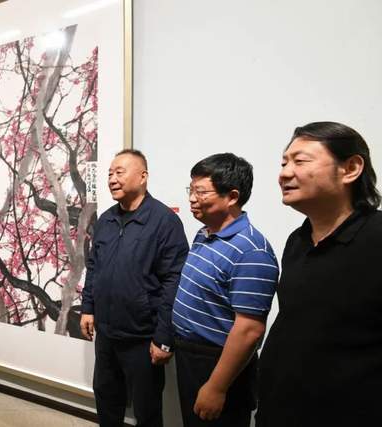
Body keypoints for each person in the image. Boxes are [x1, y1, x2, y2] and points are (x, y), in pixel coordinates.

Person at [257, 122, 382, 427]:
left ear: (350, 169)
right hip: (281, 410)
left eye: (300, 161)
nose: (285, 173)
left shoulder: (376, 238)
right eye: (284, 163)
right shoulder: (297, 241)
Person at [164, 153, 279, 427]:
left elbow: (249, 330)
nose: (192, 199)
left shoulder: (252, 251)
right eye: (191, 190)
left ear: (232, 196)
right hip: (190, 354)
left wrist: (216, 387)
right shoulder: (204, 233)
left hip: (218, 361)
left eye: (201, 192)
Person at [80, 149, 189, 426]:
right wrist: (88, 307)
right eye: (109, 174)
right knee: (106, 399)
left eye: (119, 172)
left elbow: (174, 282)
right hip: (106, 333)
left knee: (147, 409)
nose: (112, 179)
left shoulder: (164, 221)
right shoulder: (105, 220)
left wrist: (163, 337)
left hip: (142, 337)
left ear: (143, 176)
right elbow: (94, 267)